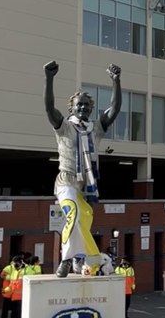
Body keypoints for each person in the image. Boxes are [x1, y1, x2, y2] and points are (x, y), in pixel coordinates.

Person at [45, 61, 122, 277]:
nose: (83, 108)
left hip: (85, 187)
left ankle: (88, 259)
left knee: (84, 221)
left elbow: (114, 109)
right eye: (79, 105)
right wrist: (49, 79)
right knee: (74, 214)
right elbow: (49, 108)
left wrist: (116, 82)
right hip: (66, 182)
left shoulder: (95, 129)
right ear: (72, 107)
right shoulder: (64, 126)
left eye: (87, 106)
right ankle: (66, 260)